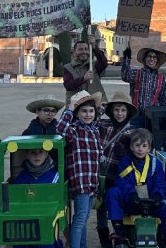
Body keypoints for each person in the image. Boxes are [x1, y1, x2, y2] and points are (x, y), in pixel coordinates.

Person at [105, 129, 166, 248]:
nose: (140, 149)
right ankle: (120, 233)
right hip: (131, 202)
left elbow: (160, 183)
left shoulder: (156, 163)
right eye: (137, 145)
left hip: (151, 203)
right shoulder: (125, 162)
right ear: (131, 147)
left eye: (144, 146)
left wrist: (157, 196)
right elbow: (122, 182)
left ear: (149, 148)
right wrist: (132, 195)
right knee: (112, 192)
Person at [56, 91, 103, 248]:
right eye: (84, 111)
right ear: (77, 113)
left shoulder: (95, 131)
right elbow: (60, 128)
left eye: (91, 111)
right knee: (80, 219)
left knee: (84, 218)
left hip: (92, 182)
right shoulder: (74, 130)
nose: (88, 115)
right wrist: (69, 108)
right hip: (81, 182)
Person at [96, 92, 138, 248]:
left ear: (128, 112)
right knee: (101, 211)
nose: (120, 113)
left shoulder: (133, 132)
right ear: (111, 111)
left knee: (117, 206)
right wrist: (99, 110)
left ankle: (119, 238)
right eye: (116, 109)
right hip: (100, 176)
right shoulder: (102, 125)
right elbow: (87, 123)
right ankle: (105, 242)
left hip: (118, 177)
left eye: (123, 110)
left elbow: (138, 152)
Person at [7, 144, 63, 248]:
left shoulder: (55, 176)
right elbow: (15, 203)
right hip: (25, 223)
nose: (37, 155)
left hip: (46, 222)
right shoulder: (21, 178)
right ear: (27, 155)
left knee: (47, 243)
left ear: (47, 154)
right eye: (33, 152)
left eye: (41, 152)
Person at [121, 46, 166, 126]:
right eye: (149, 56)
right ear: (145, 59)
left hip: (152, 115)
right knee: (135, 137)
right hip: (136, 114)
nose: (151, 59)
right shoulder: (136, 73)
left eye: (154, 57)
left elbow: (163, 98)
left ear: (157, 61)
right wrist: (127, 57)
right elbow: (125, 76)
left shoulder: (162, 78)